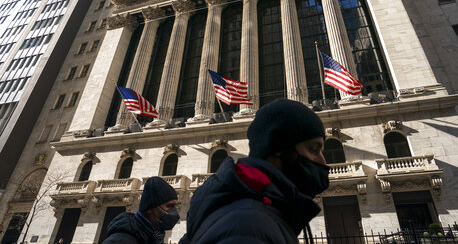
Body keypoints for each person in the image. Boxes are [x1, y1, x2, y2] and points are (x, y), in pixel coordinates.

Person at [179, 98, 330, 244]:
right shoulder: (248, 224)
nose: (323, 162)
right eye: (313, 150)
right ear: (278, 146)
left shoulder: (260, 212)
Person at [103, 176, 180, 244]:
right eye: (170, 206)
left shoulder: (153, 236)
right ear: (150, 208)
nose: (174, 211)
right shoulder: (120, 240)